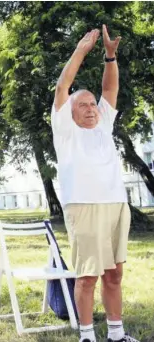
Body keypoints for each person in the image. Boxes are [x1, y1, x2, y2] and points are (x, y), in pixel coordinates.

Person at [52, 25, 139, 342]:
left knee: (114, 274)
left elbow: (110, 90)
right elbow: (63, 87)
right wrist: (81, 50)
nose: (91, 109)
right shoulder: (65, 132)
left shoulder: (103, 126)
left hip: (116, 204)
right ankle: (87, 336)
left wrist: (110, 56)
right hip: (84, 207)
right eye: (83, 105)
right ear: (70, 113)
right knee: (87, 276)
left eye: (92, 104)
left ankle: (116, 334)